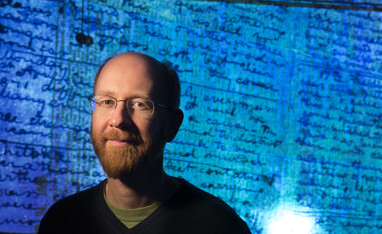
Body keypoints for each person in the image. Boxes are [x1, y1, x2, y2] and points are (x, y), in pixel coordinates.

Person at [38, 52, 251, 234]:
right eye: (106, 102)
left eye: (140, 104)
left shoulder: (220, 226)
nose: (118, 119)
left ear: (172, 125)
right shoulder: (61, 221)